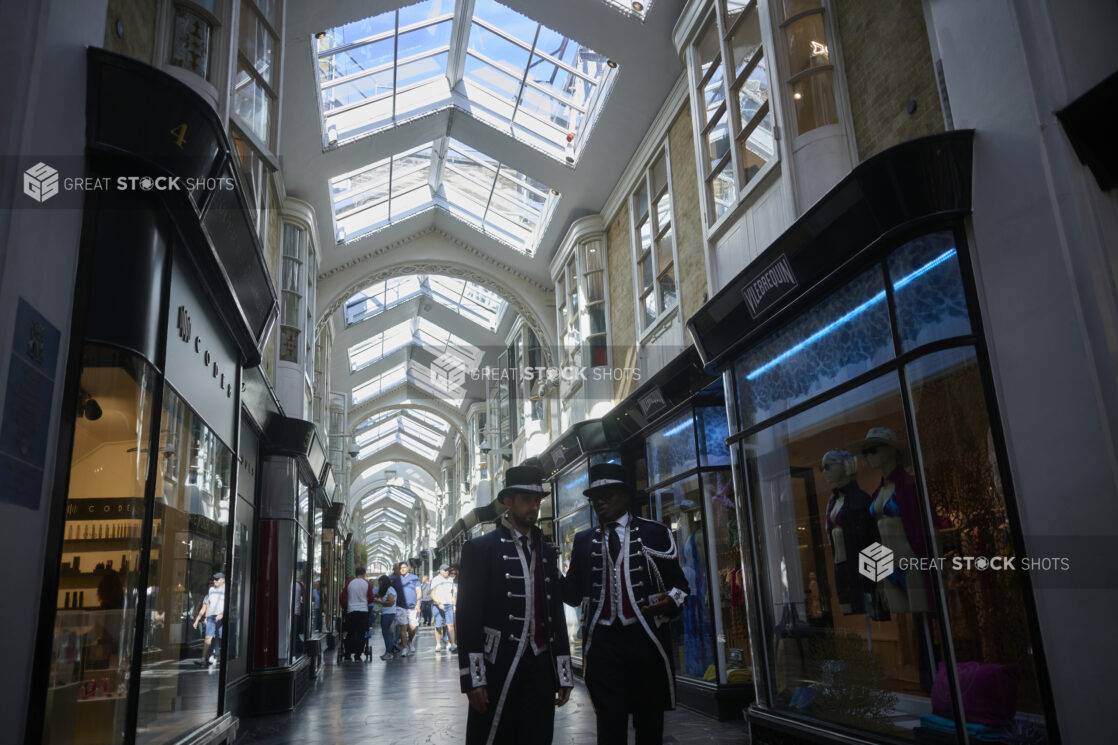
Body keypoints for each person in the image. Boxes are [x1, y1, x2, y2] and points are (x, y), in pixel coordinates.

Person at [561, 463, 690, 745]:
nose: (600, 501)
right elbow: (571, 594)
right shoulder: (584, 541)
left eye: (608, 494)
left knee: (649, 724)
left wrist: (668, 603)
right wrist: (549, 569)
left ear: (626, 496)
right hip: (604, 647)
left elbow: (681, 588)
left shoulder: (655, 533)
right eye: (595, 496)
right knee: (609, 726)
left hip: (646, 643)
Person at [457, 465, 573, 745]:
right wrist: (473, 679)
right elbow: (467, 617)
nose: (533, 507)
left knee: (538, 736)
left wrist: (563, 671)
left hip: (540, 668)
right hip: (498, 665)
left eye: (537, 501)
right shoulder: (480, 549)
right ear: (508, 502)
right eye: (526, 500)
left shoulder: (546, 551)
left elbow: (555, 613)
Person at [339, 567, 375, 661]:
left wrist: (346, 606)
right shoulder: (367, 583)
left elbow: (342, 597)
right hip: (363, 611)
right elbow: (371, 597)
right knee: (361, 633)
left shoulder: (349, 583)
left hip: (351, 611)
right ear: (364, 573)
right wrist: (364, 602)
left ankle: (347, 655)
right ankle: (358, 656)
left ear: (355, 573)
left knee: (350, 633)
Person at [192, 572, 226, 667]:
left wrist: (222, 614)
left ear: (223, 580)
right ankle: (203, 659)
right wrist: (199, 619)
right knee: (208, 637)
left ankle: (215, 655)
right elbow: (206, 605)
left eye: (217, 579)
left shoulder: (226, 590)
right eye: (214, 579)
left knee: (220, 638)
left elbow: (229, 604)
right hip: (211, 617)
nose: (214, 581)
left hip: (222, 617)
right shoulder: (211, 590)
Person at [391, 561, 422, 656]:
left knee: (413, 627)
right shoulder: (396, 580)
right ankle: (404, 648)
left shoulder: (414, 578)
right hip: (401, 607)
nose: (403, 569)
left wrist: (418, 604)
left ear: (408, 568)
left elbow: (419, 592)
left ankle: (410, 641)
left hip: (413, 607)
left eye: (404, 567)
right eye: (401, 568)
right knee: (403, 627)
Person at [431, 563, 457, 652]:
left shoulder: (450, 580)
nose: (447, 571)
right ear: (440, 571)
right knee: (438, 626)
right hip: (438, 605)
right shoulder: (435, 580)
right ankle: (438, 644)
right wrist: (438, 603)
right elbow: (432, 593)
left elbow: (452, 593)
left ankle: (453, 643)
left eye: (447, 570)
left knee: (450, 624)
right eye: (445, 570)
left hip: (449, 605)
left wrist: (454, 605)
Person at [373, 575, 398, 660]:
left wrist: (379, 602)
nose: (380, 585)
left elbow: (390, 602)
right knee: (387, 633)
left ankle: (389, 652)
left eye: (381, 583)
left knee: (386, 632)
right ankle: (389, 651)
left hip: (389, 613)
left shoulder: (390, 590)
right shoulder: (388, 590)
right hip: (387, 613)